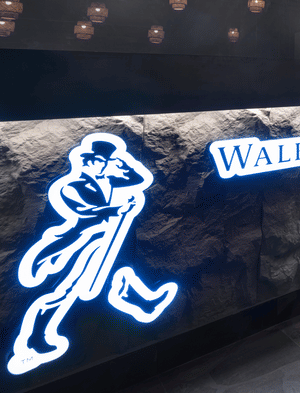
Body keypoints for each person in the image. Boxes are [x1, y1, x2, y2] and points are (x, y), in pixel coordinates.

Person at [7, 133, 178, 376]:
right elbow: (89, 212)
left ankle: (146, 303)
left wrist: (121, 162)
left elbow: (140, 179)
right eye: (103, 160)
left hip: (105, 243)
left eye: (108, 161)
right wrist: (118, 208)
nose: (106, 165)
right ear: (90, 161)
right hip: (77, 246)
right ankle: (32, 343)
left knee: (118, 273)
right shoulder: (71, 186)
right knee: (63, 292)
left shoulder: (109, 180)